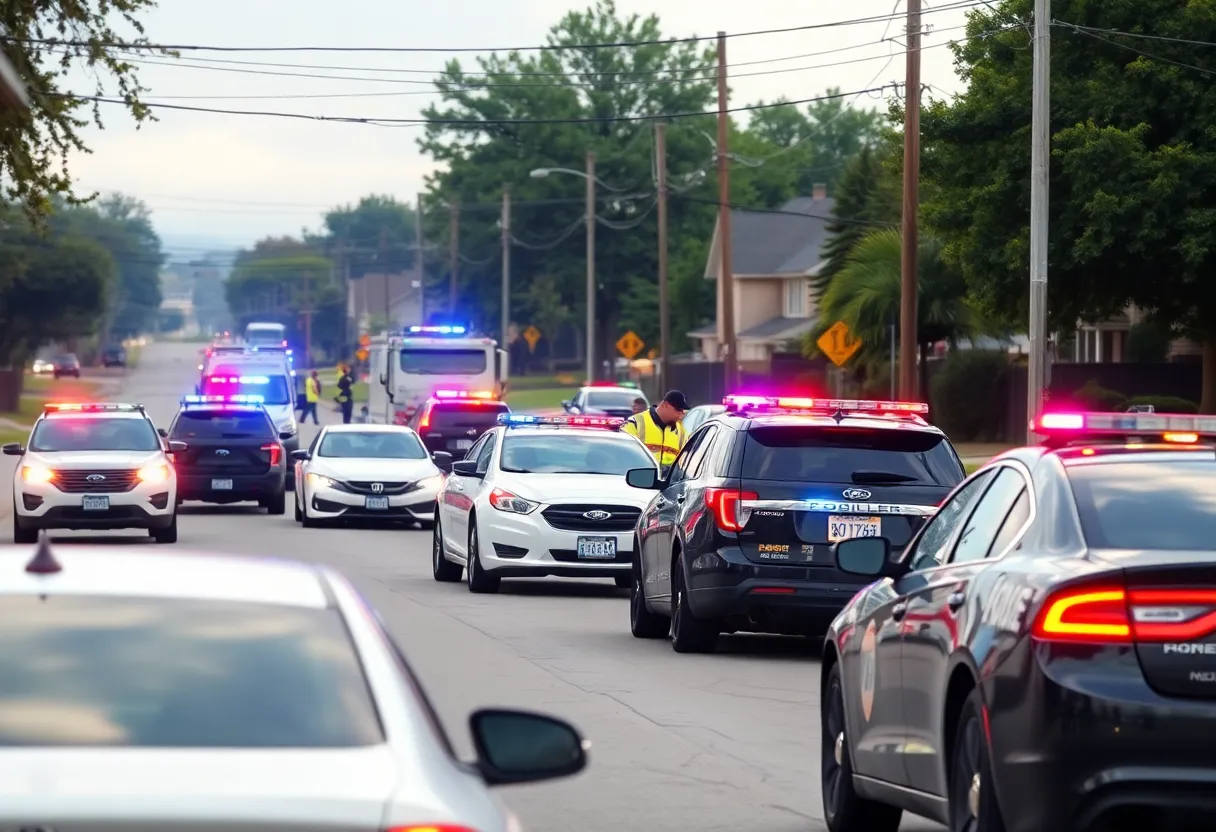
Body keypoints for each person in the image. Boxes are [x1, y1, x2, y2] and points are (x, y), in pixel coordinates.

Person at [621, 389, 689, 474]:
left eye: (683, 411)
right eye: (678, 409)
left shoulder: (681, 432)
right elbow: (623, 454)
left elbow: (685, 463)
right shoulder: (636, 423)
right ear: (665, 405)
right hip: (638, 480)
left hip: (668, 484)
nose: (682, 414)